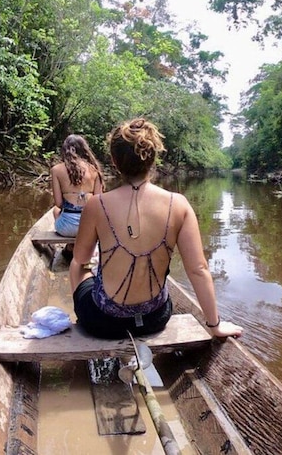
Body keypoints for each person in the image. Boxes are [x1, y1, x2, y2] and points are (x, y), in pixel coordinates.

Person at [69, 118, 243, 340]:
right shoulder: (179, 204)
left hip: (104, 322)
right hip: (155, 318)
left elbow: (81, 257)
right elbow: (198, 269)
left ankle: (82, 321)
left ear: (114, 160)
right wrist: (215, 326)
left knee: (77, 266)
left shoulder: (96, 204)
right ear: (153, 158)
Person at [50, 135, 104, 249]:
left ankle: (70, 246)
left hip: (66, 229)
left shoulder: (56, 170)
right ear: (84, 150)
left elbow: (59, 204)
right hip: (89, 228)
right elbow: (99, 203)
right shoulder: (94, 170)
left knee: (55, 210)